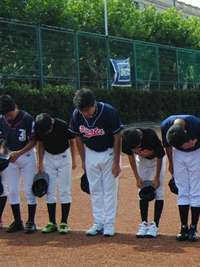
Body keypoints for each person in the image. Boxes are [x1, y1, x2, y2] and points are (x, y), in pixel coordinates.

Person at [69, 89, 123, 237]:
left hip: (109, 152)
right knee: (95, 189)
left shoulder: (108, 111)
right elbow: (78, 136)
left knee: (110, 190)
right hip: (91, 153)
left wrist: (116, 162)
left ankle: (109, 222)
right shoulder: (77, 115)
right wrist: (84, 159)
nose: (85, 113)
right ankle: (98, 222)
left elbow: (118, 137)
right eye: (82, 111)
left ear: (94, 103)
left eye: (87, 110)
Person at [161, 113, 200, 241]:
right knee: (182, 191)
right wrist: (171, 163)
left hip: (196, 154)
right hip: (178, 156)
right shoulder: (166, 125)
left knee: (195, 191)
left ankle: (193, 227)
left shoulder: (197, 124)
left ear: (186, 131)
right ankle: (183, 227)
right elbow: (167, 145)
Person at [0, 95, 38, 234]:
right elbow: (4, 138)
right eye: (5, 116)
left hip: (26, 156)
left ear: (16, 107)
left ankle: (31, 221)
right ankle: (17, 221)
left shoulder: (27, 118)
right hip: (10, 157)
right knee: (12, 190)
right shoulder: (3, 119)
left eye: (10, 114)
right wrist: (3, 150)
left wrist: (19, 153)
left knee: (28, 189)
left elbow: (33, 141)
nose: (8, 117)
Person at [33, 113, 77, 234]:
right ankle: (52, 222)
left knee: (64, 189)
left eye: (49, 130)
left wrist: (73, 160)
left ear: (52, 122)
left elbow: (72, 141)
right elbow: (40, 144)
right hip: (49, 158)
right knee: (50, 190)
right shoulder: (39, 128)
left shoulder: (63, 125)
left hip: (64, 157)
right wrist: (40, 163)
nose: (47, 133)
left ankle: (64, 222)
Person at [121, 126, 166, 238]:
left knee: (158, 191)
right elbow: (130, 156)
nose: (138, 149)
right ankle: (144, 223)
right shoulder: (127, 139)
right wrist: (137, 177)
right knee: (142, 190)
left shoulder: (150, 136)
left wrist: (156, 177)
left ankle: (155, 225)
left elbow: (160, 156)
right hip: (142, 161)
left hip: (156, 161)